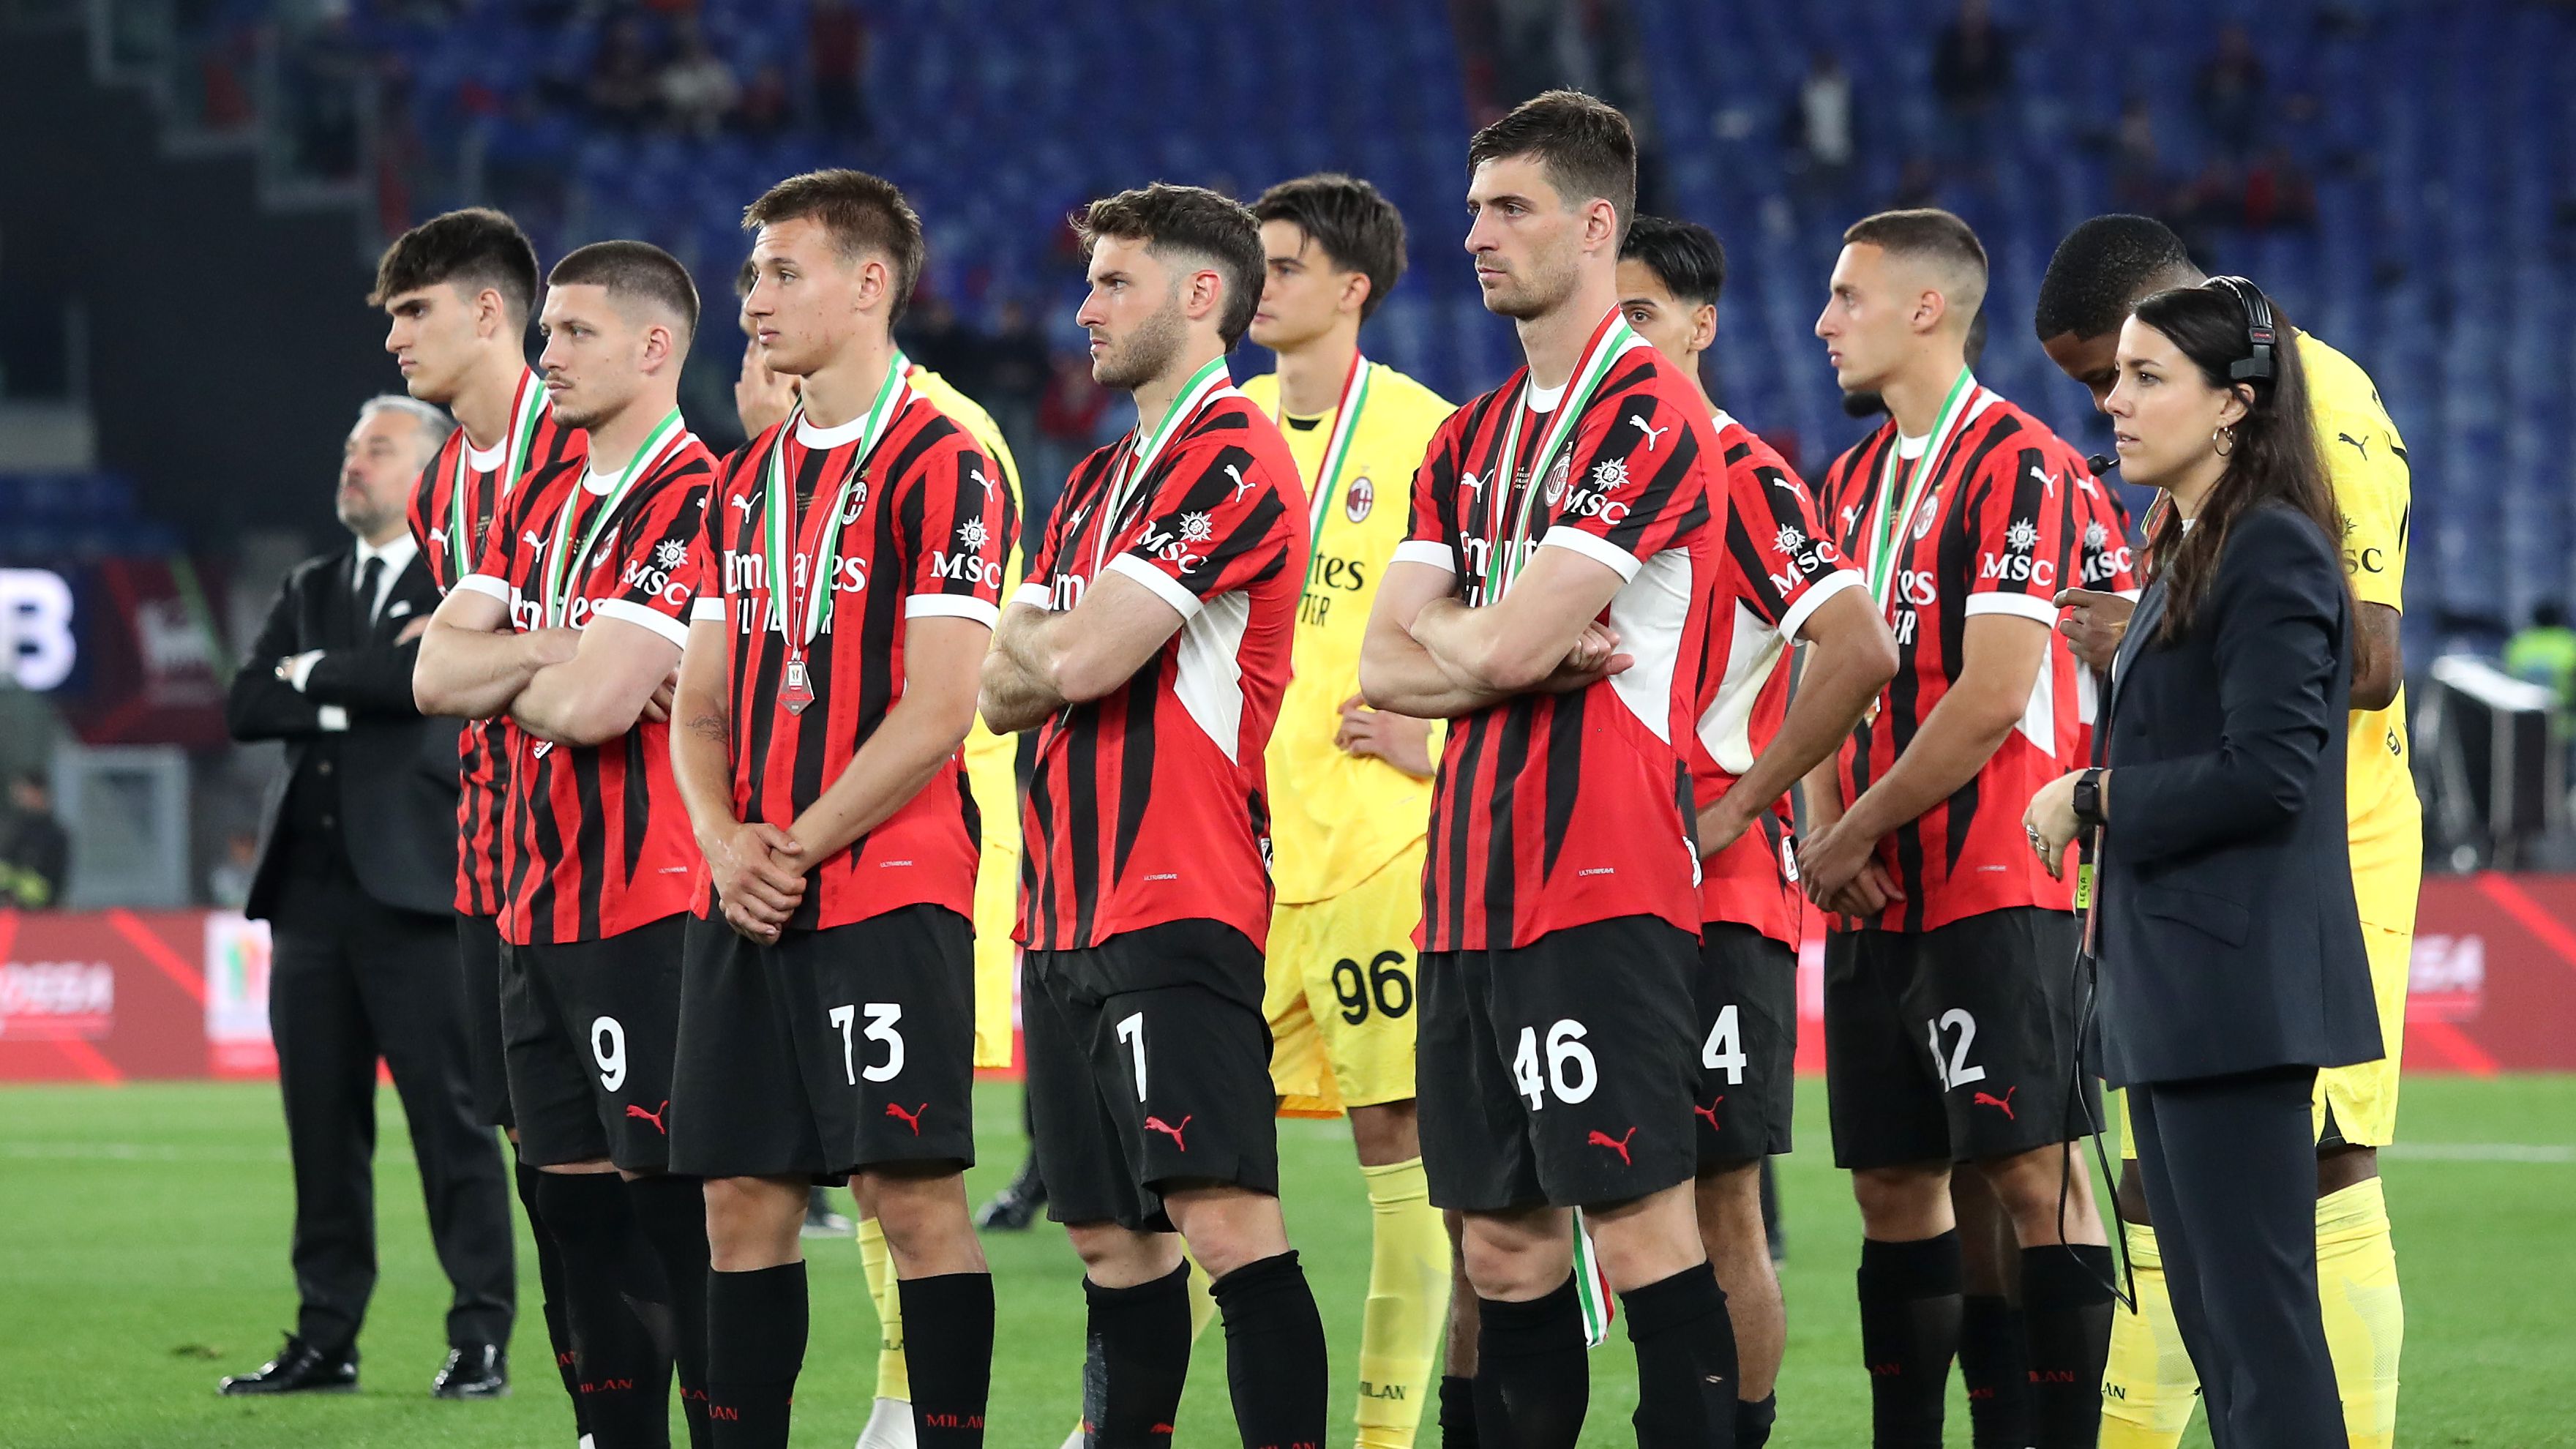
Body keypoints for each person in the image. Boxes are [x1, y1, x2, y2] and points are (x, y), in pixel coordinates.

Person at [1360, 90, 1740, 1449]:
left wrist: (1475, 643)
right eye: (1471, 210)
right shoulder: (1465, 439)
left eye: (1509, 209)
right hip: (1468, 896)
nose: (1476, 235)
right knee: (1504, 1253)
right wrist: (1493, 649)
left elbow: (1490, 643)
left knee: (1641, 1232)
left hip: (1603, 881)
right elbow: (1383, 665)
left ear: (1595, 225)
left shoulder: (1646, 411)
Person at [2034, 213, 2412, 1449]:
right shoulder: (2202, 530)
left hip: (2275, 916)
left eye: (2135, 378)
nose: (2110, 407)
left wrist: (2098, 797)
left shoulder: (2301, 463)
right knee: (2210, 1291)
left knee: (2275, 1273)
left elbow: (2342, 683)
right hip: (2185, 951)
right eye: (2110, 380)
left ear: (2231, 396)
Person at [978, 181, 1330, 1449]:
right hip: (1065, 907)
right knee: (1109, 1242)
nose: (1085, 308)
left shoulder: (1236, 454)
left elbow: (1062, 664)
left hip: (1175, 894)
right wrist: (1051, 640)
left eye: (1113, 281)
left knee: (1224, 1222)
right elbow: (1000, 689)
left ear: (1199, 295)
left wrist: (1050, 637)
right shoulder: (1094, 482)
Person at [668, 170, 1011, 1449]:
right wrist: (723, 845)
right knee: (739, 1203)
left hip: (886, 884)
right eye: (754, 275)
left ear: (870, 284)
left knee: (909, 1198)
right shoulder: (740, 480)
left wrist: (792, 846)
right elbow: (695, 706)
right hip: (749, 893)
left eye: (783, 272)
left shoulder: (948, 464)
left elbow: (939, 708)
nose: (753, 299)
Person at [1801, 209, 2114, 1449]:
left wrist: (1848, 832)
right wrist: (1830, 827)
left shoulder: (2024, 464)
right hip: (1876, 883)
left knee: (2027, 1172)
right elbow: (1823, 675)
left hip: (1999, 874)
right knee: (1895, 1179)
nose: (1823, 321)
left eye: (1847, 297)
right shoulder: (1849, 479)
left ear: (1926, 308)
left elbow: (1993, 695)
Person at [413, 239, 719, 1449]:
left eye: (575, 335)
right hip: (533, 906)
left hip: (649, 904)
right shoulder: (538, 498)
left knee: (676, 1221)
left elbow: (598, 711)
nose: (548, 356)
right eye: (546, 336)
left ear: (654, 348)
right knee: (573, 1218)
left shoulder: (696, 491)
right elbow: (436, 672)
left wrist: (540, 668)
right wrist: (565, 653)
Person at [1616, 214, 1900, 1448]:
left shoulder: (1744, 475)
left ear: (1699, 324)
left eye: (1640, 315)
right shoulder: (1565, 476)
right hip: (1582, 887)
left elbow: (1856, 649)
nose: (1617, 340)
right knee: (1546, 1206)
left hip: (1717, 893)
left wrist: (1740, 801)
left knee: (1721, 1204)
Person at [218, 394, 517, 1401]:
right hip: (309, 897)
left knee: (454, 1126)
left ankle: (481, 1337)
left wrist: (325, 680)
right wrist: (365, 679)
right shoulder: (310, 584)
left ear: (429, 472)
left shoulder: (465, 583)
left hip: (421, 895)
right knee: (320, 1129)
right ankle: (325, 1335)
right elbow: (250, 702)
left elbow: (419, 686)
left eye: (378, 449)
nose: (354, 463)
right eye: (350, 447)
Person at [1238, 171, 1462, 1449]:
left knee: (1396, 1142)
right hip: (1232, 849)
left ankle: (1378, 1439)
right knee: (1188, 1151)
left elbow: (1501, 624)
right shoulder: (1223, 434)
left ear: (1350, 287)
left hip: (1377, 838)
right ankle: (1124, 1414)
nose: (1260, 286)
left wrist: (1432, 736)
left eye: (1282, 264)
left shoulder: (1429, 438)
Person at [378, 204, 598, 1441]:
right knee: (541, 1167)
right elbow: (442, 673)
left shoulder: (587, 447)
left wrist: (497, 660)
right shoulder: (446, 487)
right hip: (491, 861)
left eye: (415, 314)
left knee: (645, 1183)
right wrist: (519, 658)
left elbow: (611, 664)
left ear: (486, 312)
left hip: (613, 861)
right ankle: (597, 1413)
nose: (396, 340)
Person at [0, 771, 69, 910]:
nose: (19, 796)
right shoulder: (13, 827)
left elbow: (54, 880)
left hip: (40, 908)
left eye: (24, 791)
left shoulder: (55, 834)